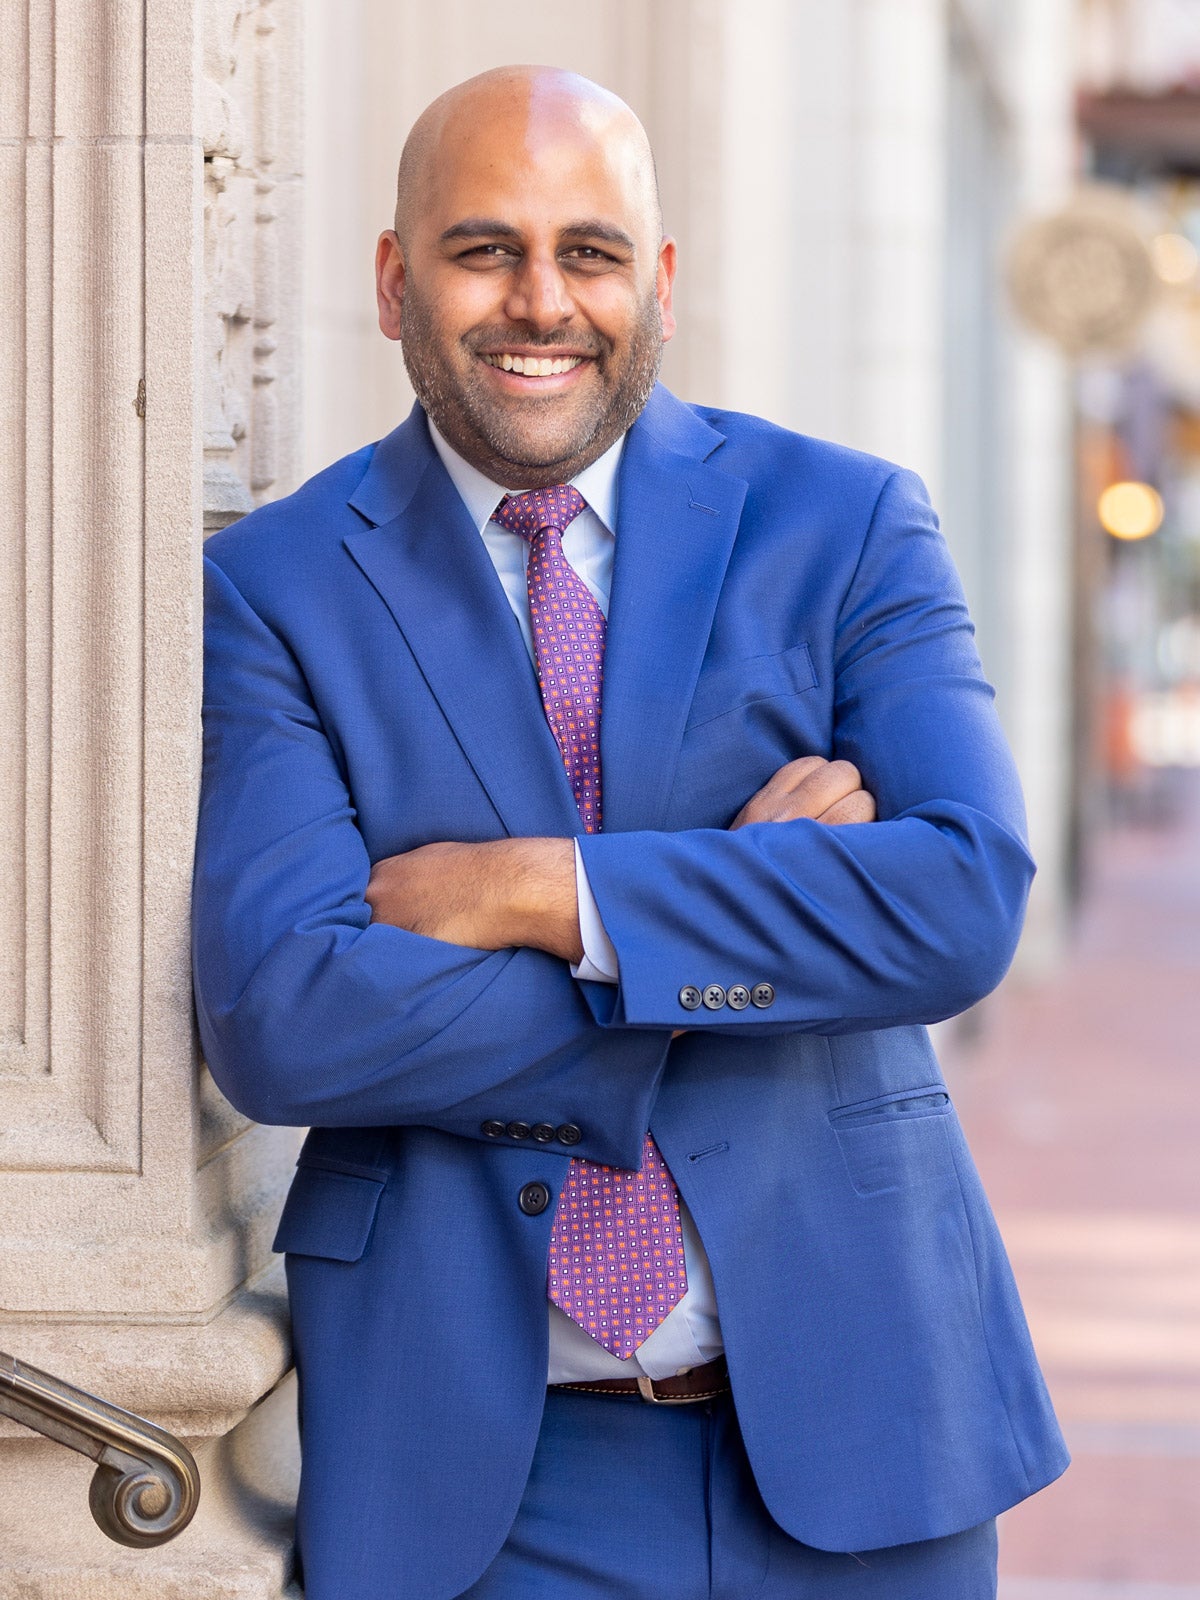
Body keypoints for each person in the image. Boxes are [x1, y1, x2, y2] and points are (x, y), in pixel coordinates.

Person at [192, 64, 1068, 1600]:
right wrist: (764, 913)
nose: (543, 302)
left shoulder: (846, 524)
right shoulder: (274, 590)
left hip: (866, 1427)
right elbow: (287, 1020)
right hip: (485, 1473)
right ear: (395, 283)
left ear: (657, 280)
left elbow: (957, 901)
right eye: (484, 249)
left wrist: (541, 892)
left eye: (589, 252)